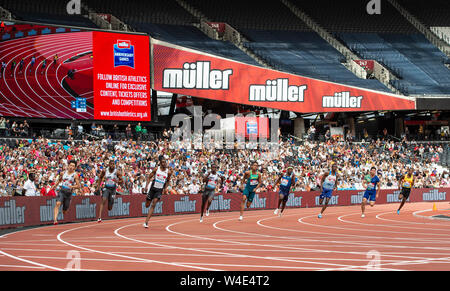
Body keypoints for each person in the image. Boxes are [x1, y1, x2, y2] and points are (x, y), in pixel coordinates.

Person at [143, 156, 172, 229]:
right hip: (153, 188)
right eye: (163, 162)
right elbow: (149, 177)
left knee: (154, 203)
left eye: (165, 162)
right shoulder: (156, 169)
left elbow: (168, 181)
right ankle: (147, 199)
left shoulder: (168, 172)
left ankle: (146, 222)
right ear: (160, 163)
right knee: (147, 205)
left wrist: (165, 188)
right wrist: (146, 186)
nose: (164, 163)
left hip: (159, 190)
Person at [51, 160, 81, 225]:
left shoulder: (75, 175)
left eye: (73, 166)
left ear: (75, 168)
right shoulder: (63, 173)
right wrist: (55, 185)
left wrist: (72, 186)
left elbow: (78, 186)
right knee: (58, 203)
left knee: (65, 211)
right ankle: (55, 220)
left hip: (68, 193)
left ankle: (64, 209)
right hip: (62, 190)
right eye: (70, 165)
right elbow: (59, 180)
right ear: (68, 166)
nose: (71, 167)